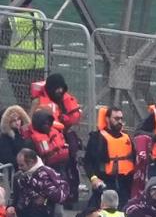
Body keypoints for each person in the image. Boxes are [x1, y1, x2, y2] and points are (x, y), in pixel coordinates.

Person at [30, 72, 82, 205]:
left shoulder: (65, 100)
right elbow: (33, 122)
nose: (59, 91)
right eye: (56, 88)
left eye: (61, 88)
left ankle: (70, 195)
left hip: (64, 138)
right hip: (47, 141)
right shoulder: (39, 102)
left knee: (71, 167)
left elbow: (73, 118)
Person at [0, 0, 45, 109]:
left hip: (16, 66)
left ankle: (25, 123)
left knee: (21, 99)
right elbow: (45, 42)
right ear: (29, 4)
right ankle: (36, 122)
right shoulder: (38, 16)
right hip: (38, 64)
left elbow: (4, 43)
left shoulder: (10, 19)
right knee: (37, 98)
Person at [84, 106, 135, 209]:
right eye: (116, 118)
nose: (119, 121)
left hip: (124, 184)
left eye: (121, 118)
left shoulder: (127, 138)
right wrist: (94, 179)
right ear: (107, 119)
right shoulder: (97, 138)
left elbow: (134, 159)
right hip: (105, 183)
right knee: (95, 212)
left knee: (123, 212)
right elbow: (88, 162)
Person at [0, 105, 32, 174]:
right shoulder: (5, 137)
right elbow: (7, 157)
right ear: (8, 122)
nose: (17, 122)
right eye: (13, 121)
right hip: (16, 171)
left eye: (19, 119)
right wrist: (23, 164)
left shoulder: (26, 132)